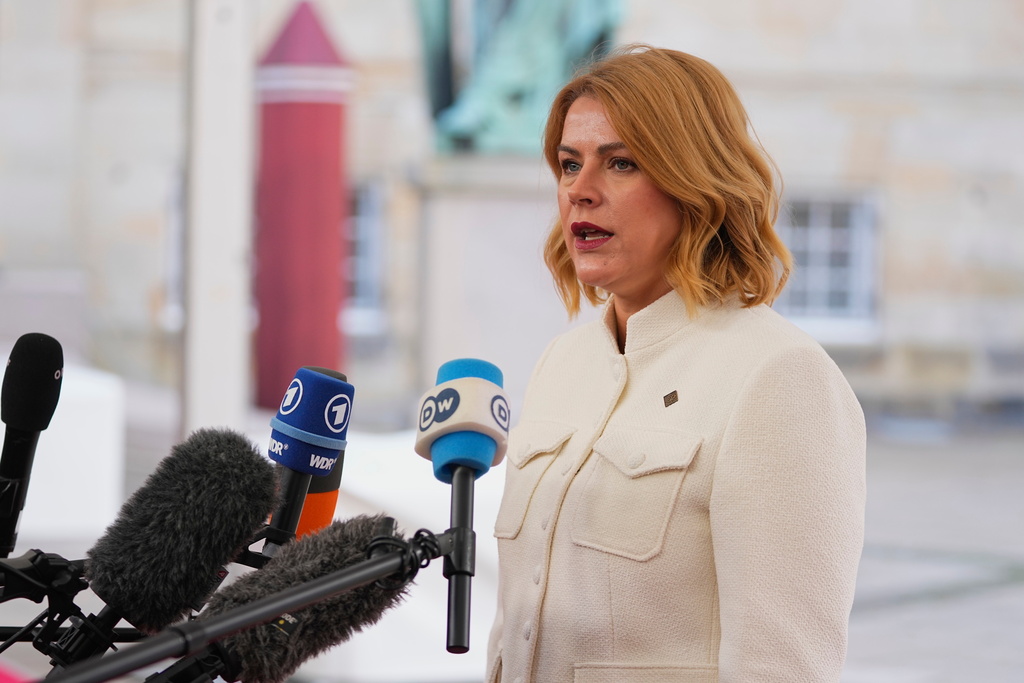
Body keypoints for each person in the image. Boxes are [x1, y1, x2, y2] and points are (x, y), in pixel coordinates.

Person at [486, 45, 866, 683]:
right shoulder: (562, 361)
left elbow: (782, 667)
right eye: (570, 164)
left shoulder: (779, 374)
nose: (579, 190)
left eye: (621, 163)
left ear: (695, 183)